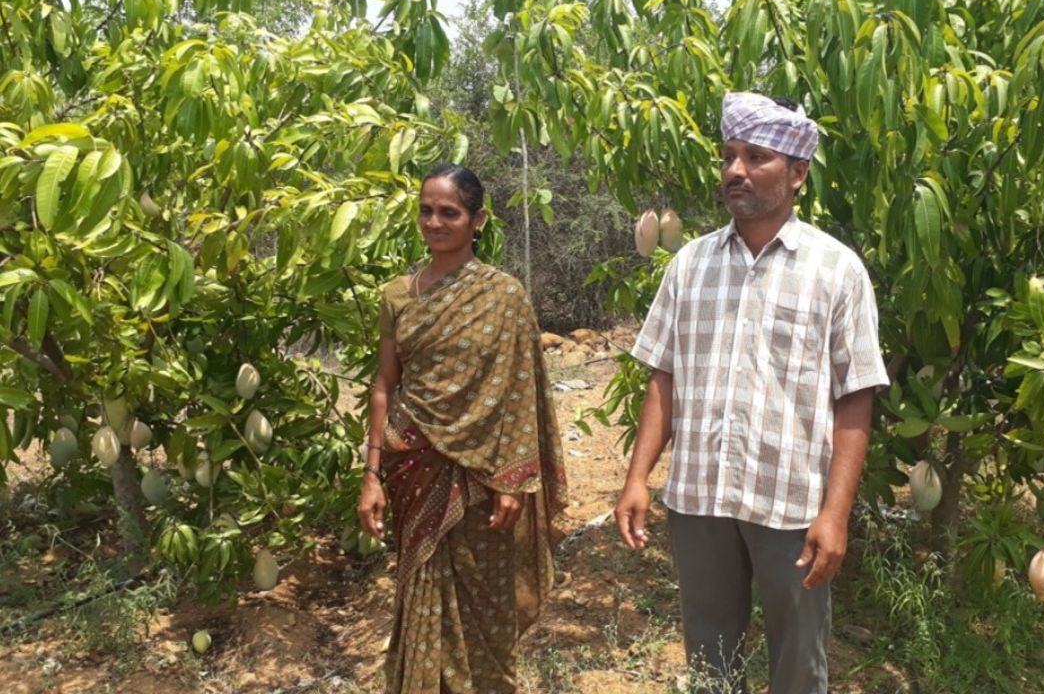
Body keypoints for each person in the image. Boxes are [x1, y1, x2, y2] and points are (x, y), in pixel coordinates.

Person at [613, 93, 889, 693]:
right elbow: (664, 376)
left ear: (797, 173)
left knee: (798, 660)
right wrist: (638, 478)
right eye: (729, 155)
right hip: (699, 498)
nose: (735, 170)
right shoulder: (689, 264)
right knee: (710, 656)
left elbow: (855, 398)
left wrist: (835, 514)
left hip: (790, 503)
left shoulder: (835, 270)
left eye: (756, 156)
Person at [358, 163, 568, 694]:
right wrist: (372, 474)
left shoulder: (503, 296)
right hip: (412, 466)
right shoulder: (398, 295)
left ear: (477, 220)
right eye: (426, 210)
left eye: (448, 212)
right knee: (420, 591)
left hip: (480, 479)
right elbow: (385, 386)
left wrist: (512, 479)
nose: (434, 221)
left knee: (485, 604)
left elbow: (520, 390)